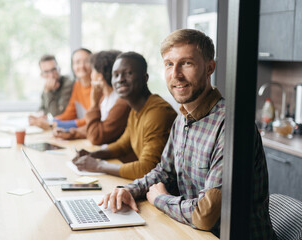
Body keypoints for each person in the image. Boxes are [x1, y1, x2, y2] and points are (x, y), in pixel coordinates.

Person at [98, 29, 276, 239]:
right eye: (169, 64)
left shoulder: (232, 125)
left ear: (210, 67)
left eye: (187, 63)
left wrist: (160, 199)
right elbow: (164, 171)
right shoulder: (183, 117)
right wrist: (129, 189)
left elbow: (205, 214)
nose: (176, 74)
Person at [72, 52, 177, 180]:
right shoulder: (136, 109)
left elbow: (147, 169)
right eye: (115, 75)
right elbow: (122, 145)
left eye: (128, 73)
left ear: (145, 78)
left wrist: (98, 165)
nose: (120, 79)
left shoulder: (157, 112)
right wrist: (93, 155)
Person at [53, 50, 131, 145]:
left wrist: (94, 103)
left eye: (93, 70)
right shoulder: (107, 99)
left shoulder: (120, 103)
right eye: (77, 62)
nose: (90, 73)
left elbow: (96, 136)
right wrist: (71, 133)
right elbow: (97, 126)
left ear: (99, 76)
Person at [30, 48, 92, 130]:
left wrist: (52, 124)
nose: (81, 66)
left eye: (86, 61)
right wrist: (50, 121)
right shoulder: (78, 85)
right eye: (77, 62)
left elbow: (91, 119)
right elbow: (68, 113)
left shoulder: (71, 84)